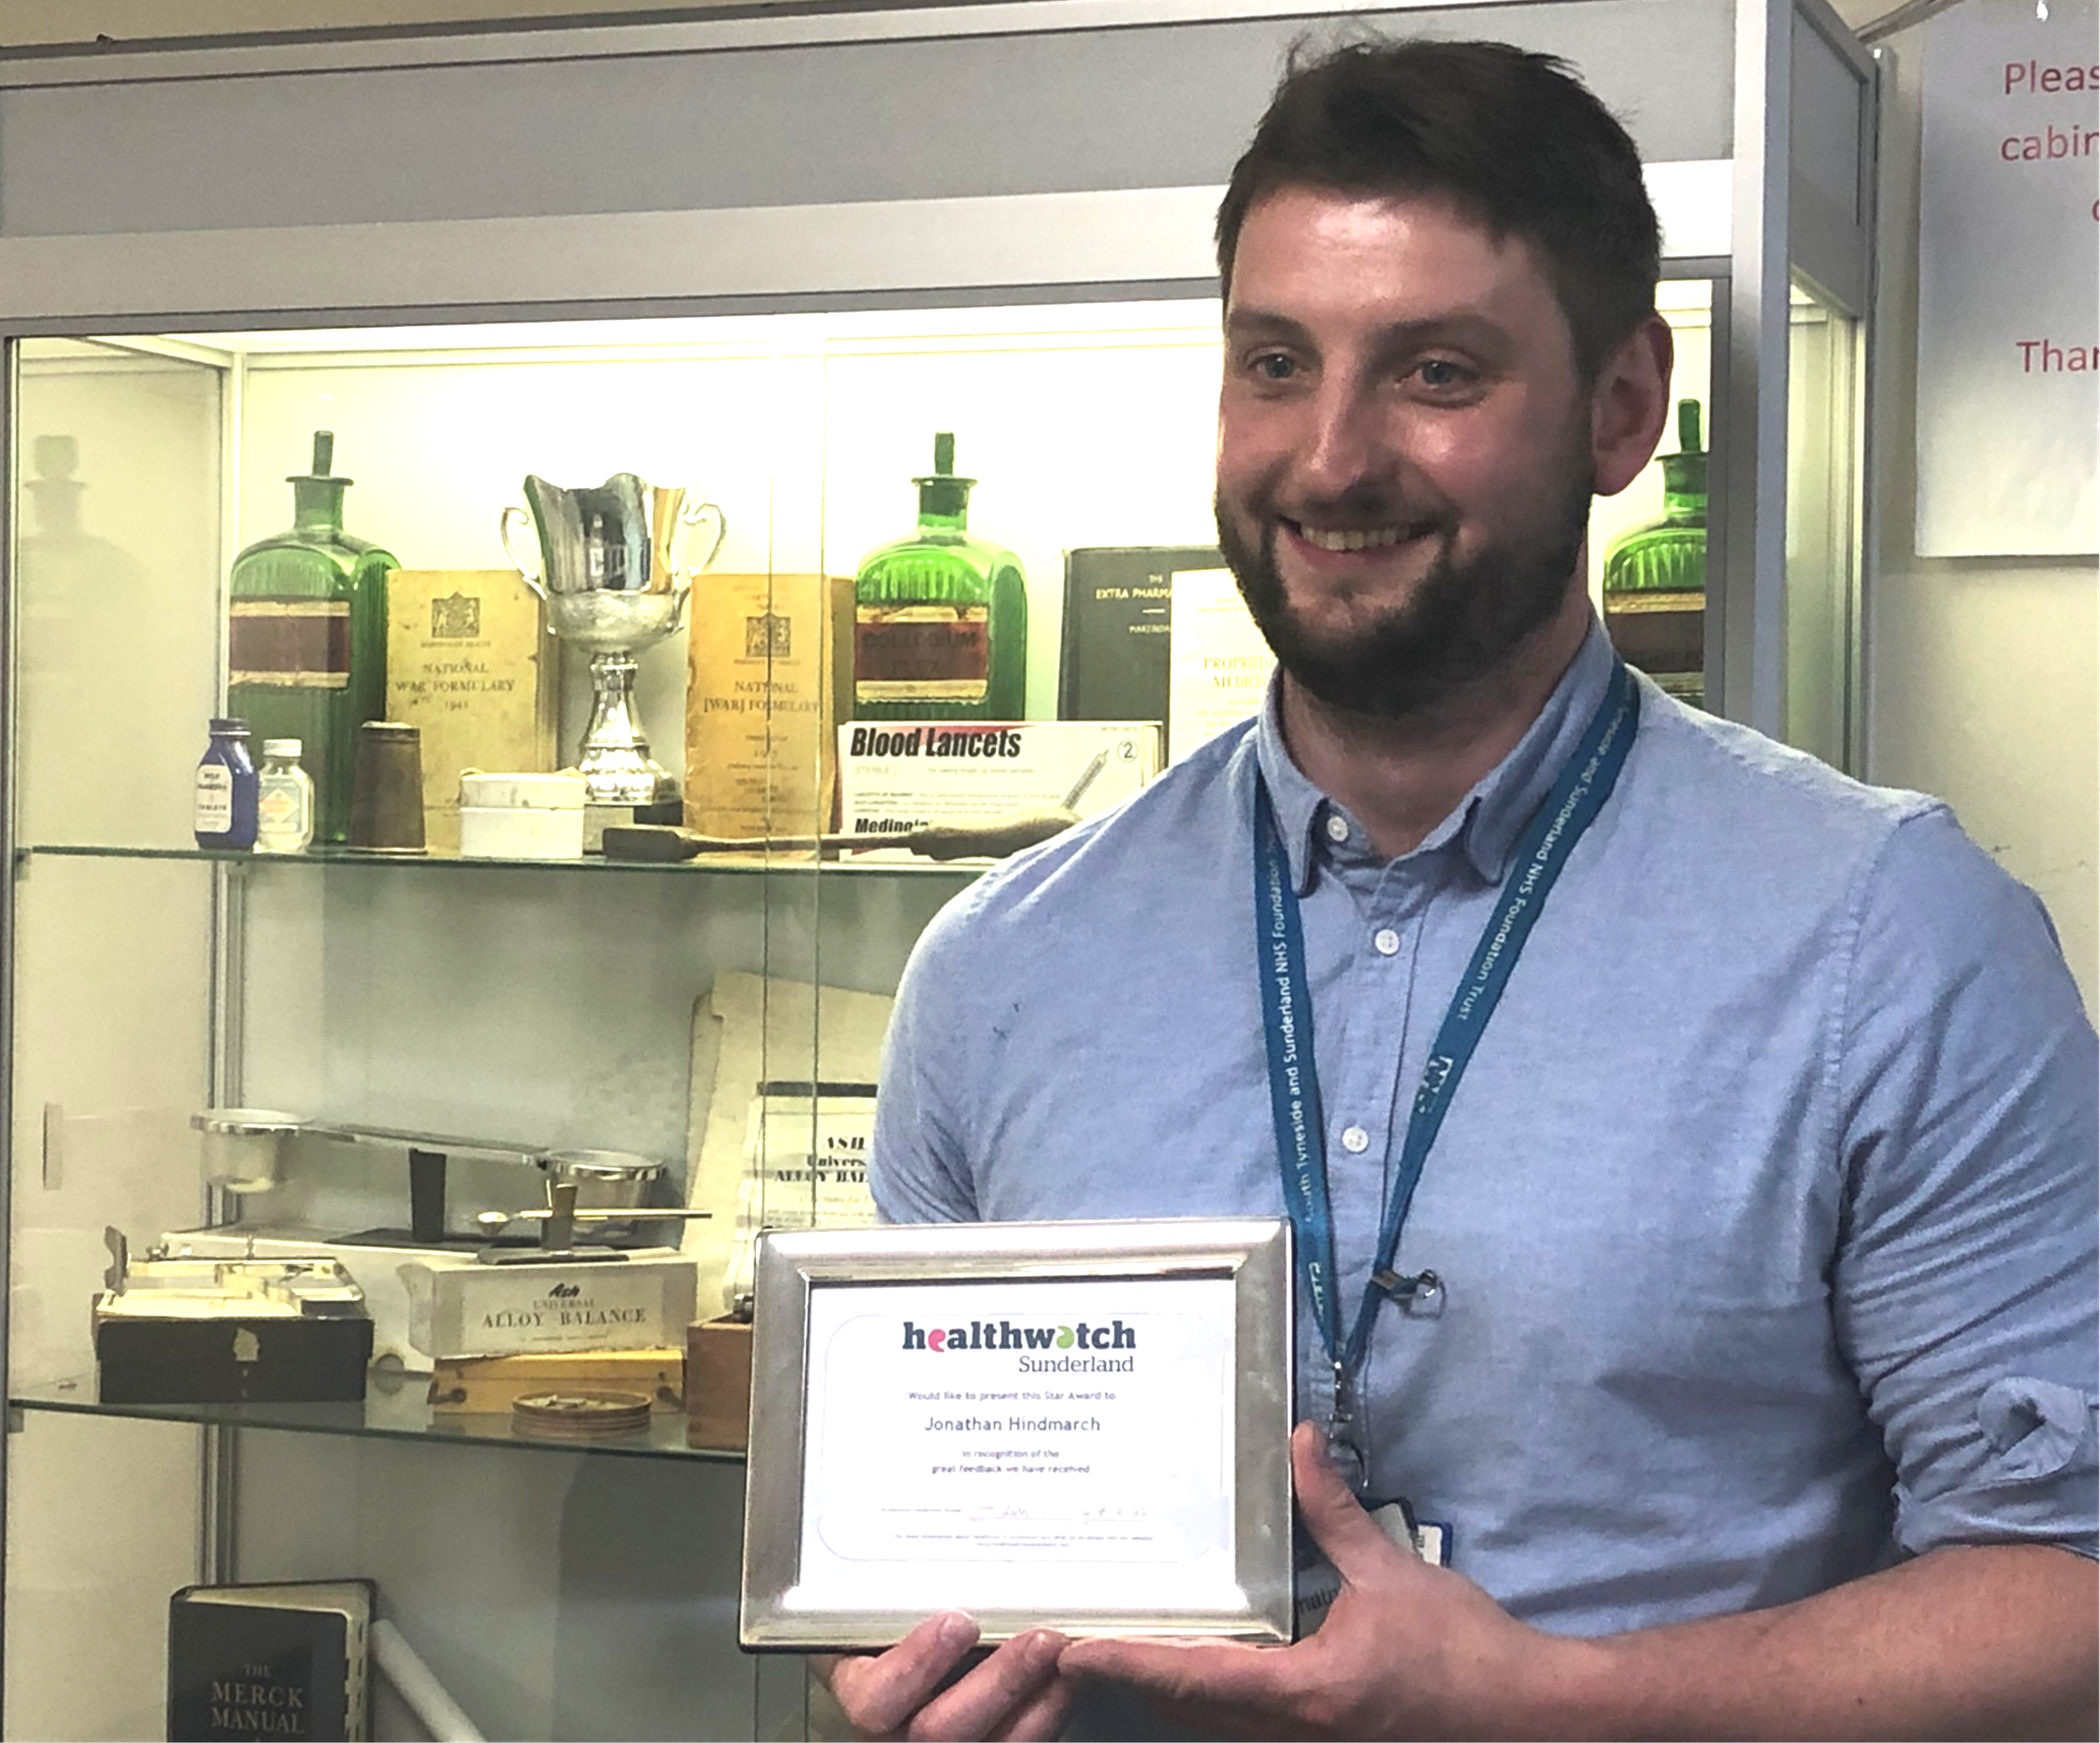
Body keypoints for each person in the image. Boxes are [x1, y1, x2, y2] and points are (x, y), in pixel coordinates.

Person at [827, 37, 2100, 1743]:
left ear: (1620, 408)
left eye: (1433, 372)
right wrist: (906, 1657)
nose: (1330, 460)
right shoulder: (1000, 967)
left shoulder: (1887, 936)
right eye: (1274, 363)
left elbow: (2063, 1587)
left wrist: (1547, 1701)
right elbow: (925, 1552)